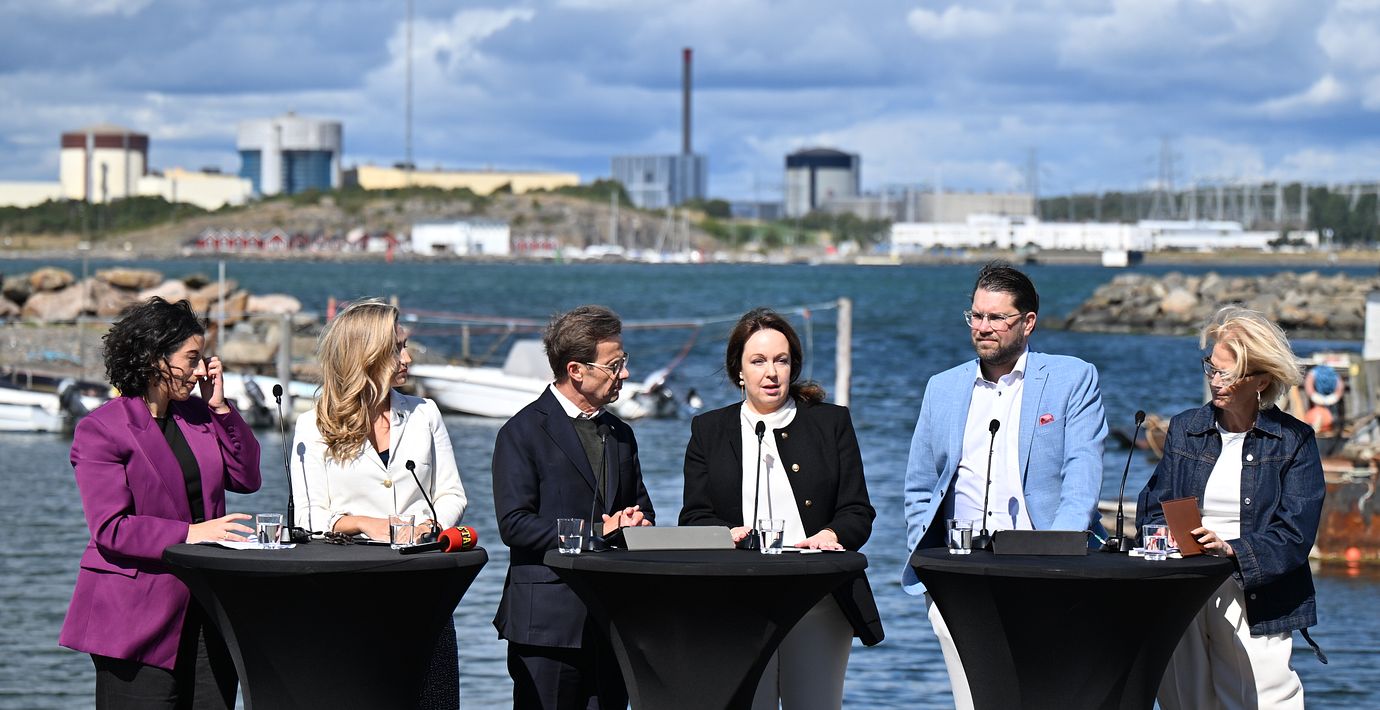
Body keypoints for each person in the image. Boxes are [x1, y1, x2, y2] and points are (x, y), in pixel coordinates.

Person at [901, 262, 1108, 710]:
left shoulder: (1072, 378)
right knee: (973, 701)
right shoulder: (942, 387)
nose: (983, 327)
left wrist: (1059, 559)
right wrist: (932, 561)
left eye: (997, 318)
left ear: (1028, 322)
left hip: (1044, 571)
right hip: (960, 576)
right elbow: (919, 484)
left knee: (1047, 699)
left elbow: (1082, 473)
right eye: (976, 316)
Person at [60, 297, 262, 709]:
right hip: (135, 618)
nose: (201, 370)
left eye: (202, 358)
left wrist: (220, 407)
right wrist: (192, 533)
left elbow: (246, 477)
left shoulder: (199, 414)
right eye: (191, 359)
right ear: (155, 357)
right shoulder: (101, 430)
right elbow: (112, 528)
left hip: (207, 610)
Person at [680, 307, 883, 710]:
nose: (771, 372)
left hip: (817, 597)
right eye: (758, 361)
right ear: (738, 369)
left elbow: (857, 511)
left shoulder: (831, 423)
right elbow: (694, 517)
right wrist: (727, 535)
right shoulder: (709, 430)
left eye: (781, 360)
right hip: (740, 600)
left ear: (794, 366)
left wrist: (831, 535)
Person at [1136, 306, 1326, 709]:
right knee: (1185, 701)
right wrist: (1164, 536)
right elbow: (1153, 506)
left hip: (1256, 596)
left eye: (1228, 373)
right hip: (1185, 588)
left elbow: (1294, 536)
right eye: (1212, 368)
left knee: (1263, 700)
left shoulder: (1294, 441)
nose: (1215, 381)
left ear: (1260, 379)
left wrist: (1232, 550)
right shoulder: (1186, 428)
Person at [290, 299, 468, 709]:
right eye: (397, 348)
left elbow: (452, 494)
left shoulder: (425, 413)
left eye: (405, 346)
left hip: (424, 586)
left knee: (433, 699)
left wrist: (427, 528)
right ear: (365, 356)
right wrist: (366, 523)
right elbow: (309, 518)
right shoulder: (313, 425)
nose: (407, 358)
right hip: (351, 591)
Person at [492, 305, 654, 710]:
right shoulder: (521, 432)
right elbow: (515, 525)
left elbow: (642, 509)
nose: (625, 374)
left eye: (624, 362)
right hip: (546, 625)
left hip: (611, 619)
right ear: (577, 370)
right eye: (615, 365)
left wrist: (638, 523)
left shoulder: (621, 434)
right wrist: (598, 533)